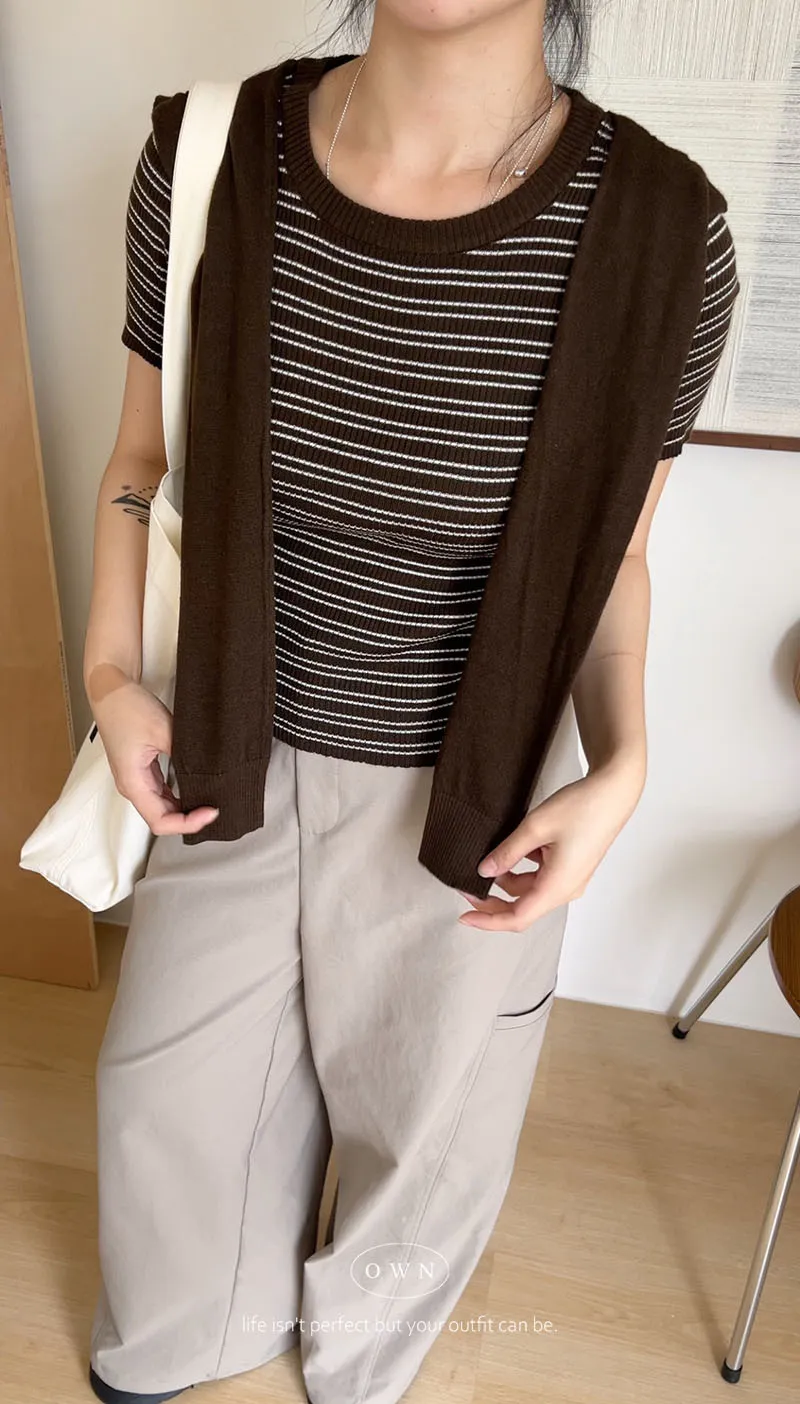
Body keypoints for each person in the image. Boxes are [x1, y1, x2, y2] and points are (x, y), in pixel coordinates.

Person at [83, 3, 739, 1402]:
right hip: (225, 752)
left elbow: (614, 557)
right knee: (165, 1140)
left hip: (473, 784)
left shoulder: (664, 231)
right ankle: (207, 1326)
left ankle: (363, 1353)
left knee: (420, 1137)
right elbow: (139, 462)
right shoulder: (210, 153)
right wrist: (108, 679)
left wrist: (624, 764)